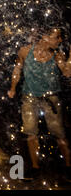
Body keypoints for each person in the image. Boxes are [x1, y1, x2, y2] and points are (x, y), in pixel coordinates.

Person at [8, 27, 71, 181]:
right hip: (29, 97)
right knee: (30, 133)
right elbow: (17, 70)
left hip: (51, 98)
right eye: (57, 37)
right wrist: (13, 88)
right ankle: (35, 168)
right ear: (45, 37)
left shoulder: (57, 55)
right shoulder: (25, 51)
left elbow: (67, 72)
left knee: (59, 134)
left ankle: (69, 168)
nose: (60, 40)